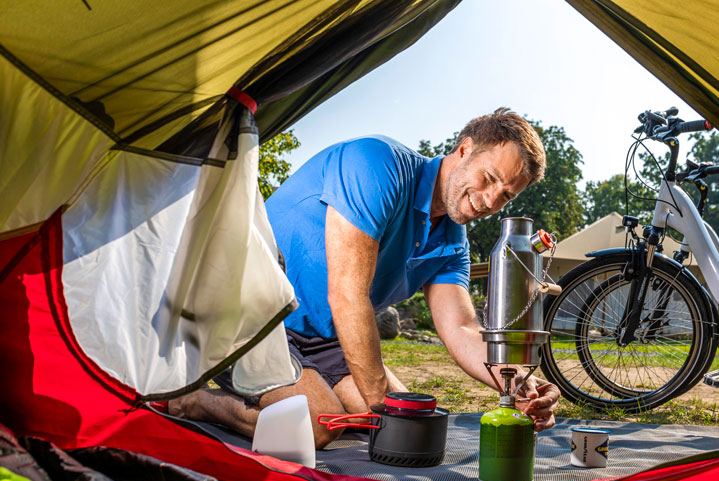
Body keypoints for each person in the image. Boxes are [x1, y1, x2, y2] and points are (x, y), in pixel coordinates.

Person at [170, 108, 561, 448]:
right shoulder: (377, 165)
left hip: (323, 338)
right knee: (322, 425)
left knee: (411, 420)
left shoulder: (453, 242)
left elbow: (461, 327)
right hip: (250, 313)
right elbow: (348, 295)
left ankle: (297, 394)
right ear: (464, 150)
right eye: (490, 178)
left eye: (506, 196)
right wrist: (384, 412)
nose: (491, 201)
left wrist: (516, 383)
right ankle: (196, 401)